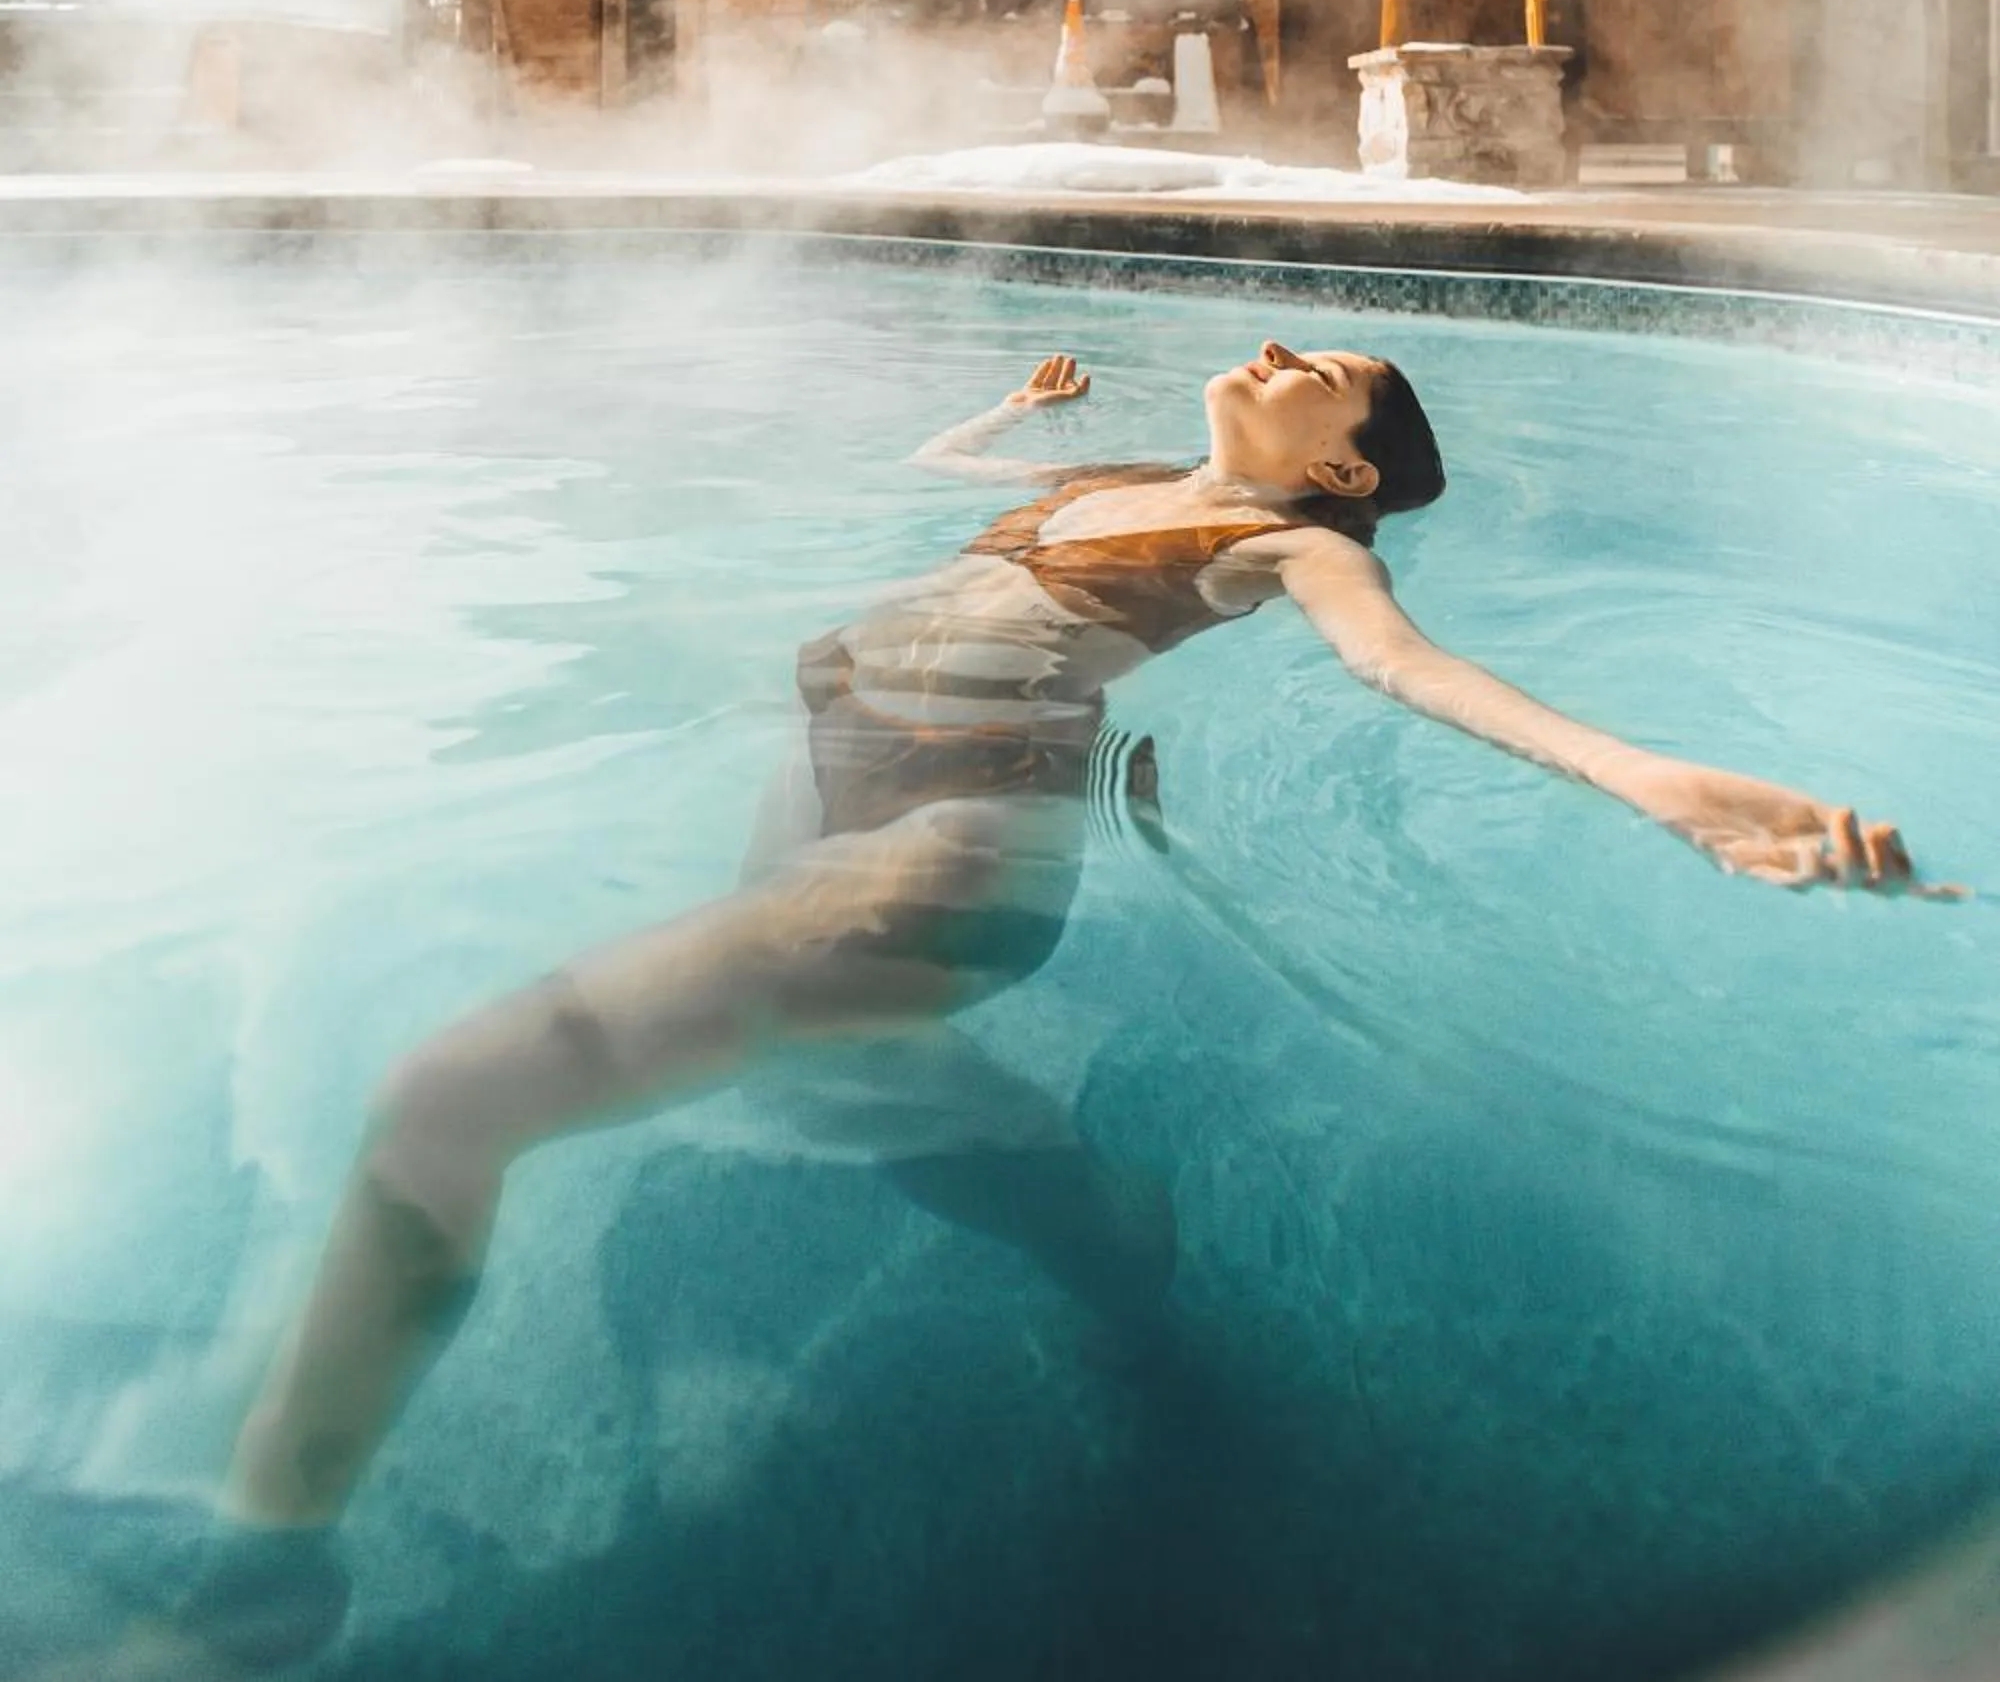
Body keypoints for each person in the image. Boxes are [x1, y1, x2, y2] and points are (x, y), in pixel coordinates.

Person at [94, 340, 1949, 1669]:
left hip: (931, 863)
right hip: (840, 802)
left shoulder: (1303, 548)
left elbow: (1414, 676)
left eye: (1333, 377)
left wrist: (1651, 783)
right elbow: (925, 503)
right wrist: (1009, 414)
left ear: (1347, 473)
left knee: (446, 1098)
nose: (1285, 349)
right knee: (859, 1087)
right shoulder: (1101, 481)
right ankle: (1108, 1235)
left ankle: (268, 1576)